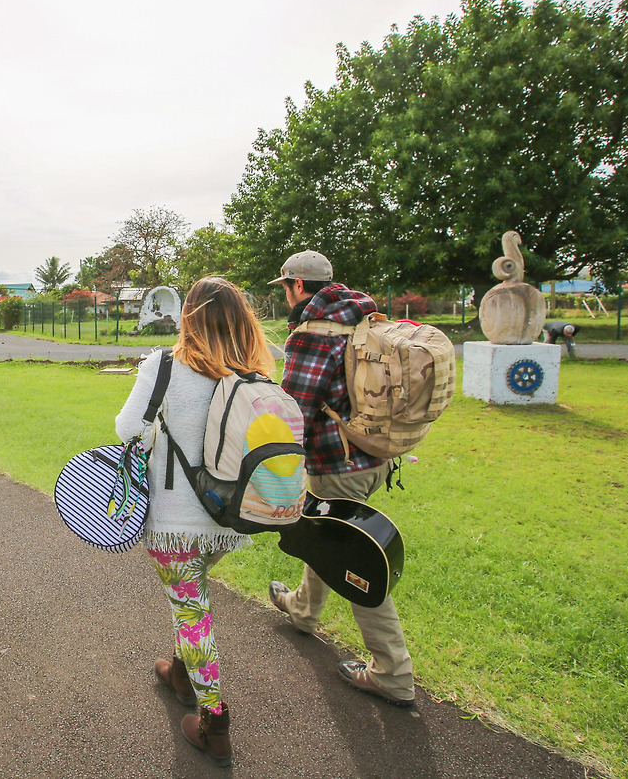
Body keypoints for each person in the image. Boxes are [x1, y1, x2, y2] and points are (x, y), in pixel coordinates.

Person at [114, 277, 270, 766]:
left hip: (175, 520)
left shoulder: (164, 365)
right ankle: (181, 674)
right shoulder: (256, 375)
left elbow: (127, 430)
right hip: (227, 517)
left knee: (191, 611)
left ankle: (214, 720)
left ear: (188, 317)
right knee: (191, 597)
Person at [265, 250, 416, 709]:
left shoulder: (312, 334)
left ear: (296, 286)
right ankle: (303, 610)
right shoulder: (363, 316)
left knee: (355, 560)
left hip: (339, 463)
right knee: (328, 535)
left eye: (285, 287)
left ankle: (393, 673)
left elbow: (295, 411)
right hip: (378, 456)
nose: (285, 295)